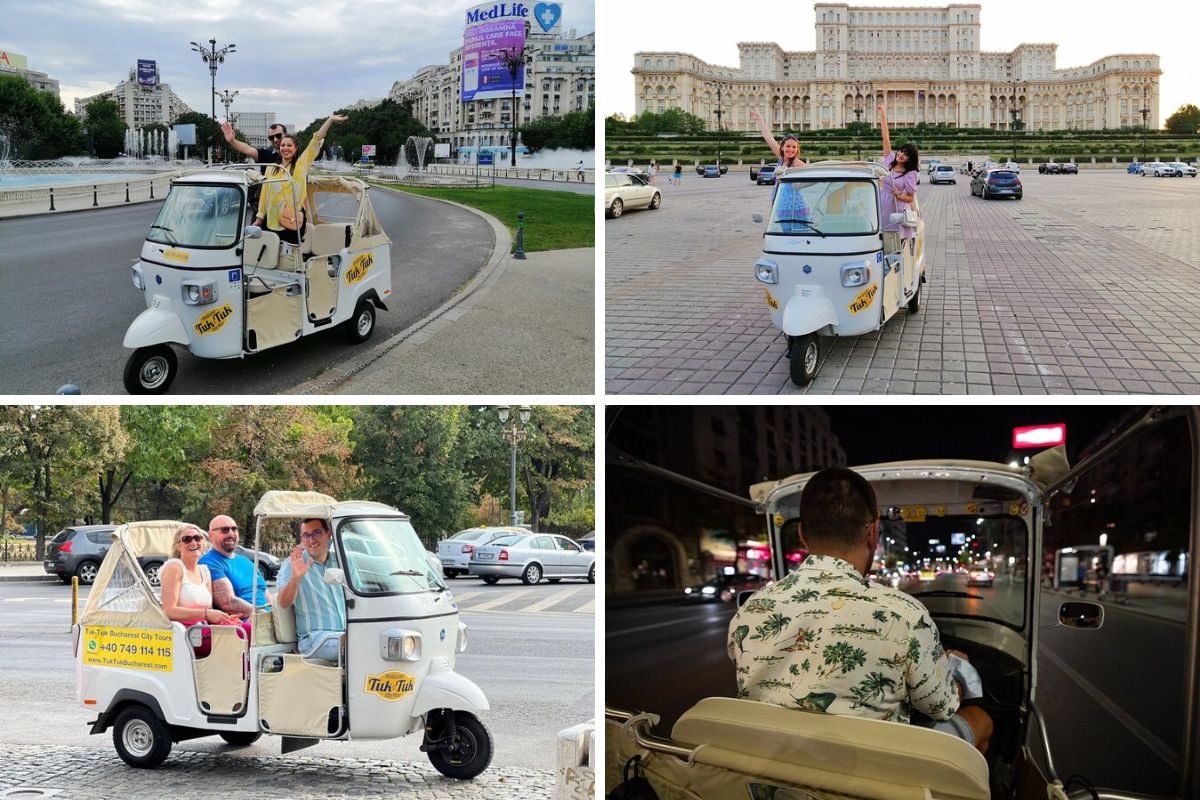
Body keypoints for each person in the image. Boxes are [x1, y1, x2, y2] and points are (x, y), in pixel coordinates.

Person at [727, 467, 993, 754]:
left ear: (802, 534)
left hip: (776, 764)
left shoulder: (751, 609)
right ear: (873, 533)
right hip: (874, 773)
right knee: (981, 720)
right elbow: (941, 706)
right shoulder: (904, 614)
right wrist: (954, 670)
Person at [252, 113, 348, 245]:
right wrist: (259, 218)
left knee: (291, 257)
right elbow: (264, 196)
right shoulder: (271, 168)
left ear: (296, 149)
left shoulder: (301, 165)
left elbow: (316, 139)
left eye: (289, 145)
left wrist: (330, 120)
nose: (285, 148)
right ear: (279, 149)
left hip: (292, 220)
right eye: (283, 146)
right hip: (272, 221)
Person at [275, 518, 347, 662]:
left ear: (329, 534)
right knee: (355, 645)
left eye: (316, 533)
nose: (311, 540)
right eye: (306, 536)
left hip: (346, 634)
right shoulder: (293, 564)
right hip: (314, 640)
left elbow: (358, 596)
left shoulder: (342, 561)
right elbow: (283, 603)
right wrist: (296, 577)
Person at [160, 524, 240, 626]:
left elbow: (210, 611)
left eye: (198, 538)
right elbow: (169, 611)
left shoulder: (204, 571)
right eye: (187, 539)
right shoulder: (174, 568)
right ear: (179, 546)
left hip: (204, 628)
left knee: (251, 630)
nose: (194, 543)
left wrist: (225, 619)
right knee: (246, 634)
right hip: (186, 633)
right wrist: (206, 614)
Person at [200, 514, 271, 619]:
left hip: (266, 619)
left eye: (234, 529)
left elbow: (265, 593)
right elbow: (228, 603)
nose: (231, 533)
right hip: (246, 626)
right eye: (225, 530)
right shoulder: (209, 562)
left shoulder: (246, 561)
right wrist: (262, 616)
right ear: (211, 535)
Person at [878, 104, 920, 249]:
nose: (901, 155)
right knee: (880, 240)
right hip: (882, 203)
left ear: (910, 159)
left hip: (897, 209)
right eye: (901, 151)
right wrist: (883, 114)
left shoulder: (910, 174)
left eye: (906, 154)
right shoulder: (890, 162)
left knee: (895, 246)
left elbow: (910, 197)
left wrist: (899, 195)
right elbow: (885, 138)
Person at [749, 109, 807, 174]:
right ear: (782, 147)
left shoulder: (797, 164)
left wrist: (797, 184)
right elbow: (769, 139)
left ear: (797, 149)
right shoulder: (781, 159)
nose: (791, 149)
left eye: (794, 147)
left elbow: (811, 177)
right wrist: (759, 119)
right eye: (788, 146)